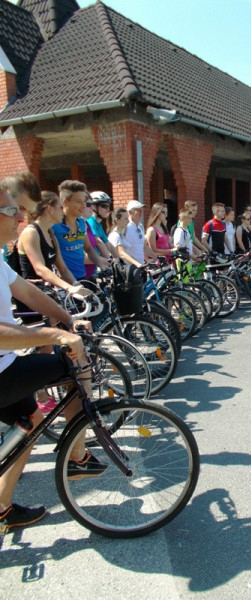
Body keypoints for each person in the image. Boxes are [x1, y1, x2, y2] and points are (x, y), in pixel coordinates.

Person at [0, 182, 106, 532]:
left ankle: (1, 507)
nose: (19, 217)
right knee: (75, 364)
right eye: (10, 211)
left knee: (29, 421)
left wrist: (68, 319)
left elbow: (28, 292)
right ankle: (76, 456)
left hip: (5, 365)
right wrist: (55, 334)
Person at [52, 180, 109, 281]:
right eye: (78, 202)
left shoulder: (81, 222)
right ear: (65, 201)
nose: (84, 206)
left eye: (84, 202)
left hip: (83, 278)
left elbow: (88, 248)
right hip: (63, 283)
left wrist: (100, 263)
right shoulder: (54, 226)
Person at [87, 191, 118, 260]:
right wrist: (110, 260)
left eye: (108, 206)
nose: (108, 209)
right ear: (94, 207)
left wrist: (120, 260)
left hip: (95, 263)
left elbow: (108, 245)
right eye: (104, 206)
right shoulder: (90, 221)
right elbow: (98, 242)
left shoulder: (98, 224)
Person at [126, 200, 153, 264]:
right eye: (137, 210)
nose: (141, 212)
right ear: (130, 212)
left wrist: (156, 257)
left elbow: (144, 247)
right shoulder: (126, 227)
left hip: (141, 264)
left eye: (141, 210)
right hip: (130, 266)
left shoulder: (140, 226)